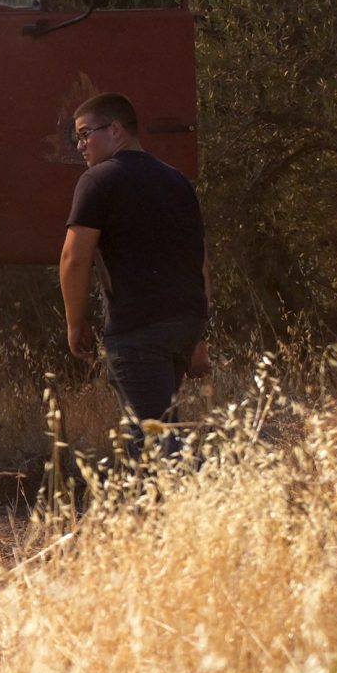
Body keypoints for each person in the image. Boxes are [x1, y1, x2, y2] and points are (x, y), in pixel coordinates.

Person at [60, 91, 210, 455]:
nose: (80, 146)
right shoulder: (177, 181)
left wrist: (75, 323)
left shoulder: (98, 180)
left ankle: (220, 489)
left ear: (115, 130)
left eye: (85, 134)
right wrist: (198, 334)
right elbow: (200, 262)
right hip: (184, 323)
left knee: (156, 443)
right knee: (150, 435)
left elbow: (73, 259)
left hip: (138, 329)